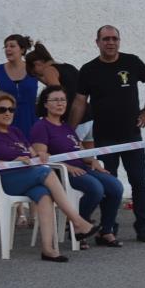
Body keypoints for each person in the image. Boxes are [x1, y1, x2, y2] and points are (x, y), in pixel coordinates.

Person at [0, 92, 99, 262]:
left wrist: (41, 154)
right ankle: (77, 221)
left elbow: (33, 154)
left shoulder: (16, 132)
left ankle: (48, 249)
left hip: (22, 179)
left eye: (11, 109)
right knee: (44, 172)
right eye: (2, 110)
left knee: (44, 194)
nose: (8, 113)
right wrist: (9, 162)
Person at [71, 25, 145, 243]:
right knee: (110, 185)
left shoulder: (132, 62)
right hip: (104, 137)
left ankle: (143, 228)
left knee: (138, 181)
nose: (110, 42)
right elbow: (80, 102)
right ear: (97, 42)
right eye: (106, 39)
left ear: (119, 41)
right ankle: (109, 228)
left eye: (114, 38)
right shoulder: (89, 69)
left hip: (131, 136)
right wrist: (70, 131)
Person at [30, 85, 123, 249]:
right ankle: (79, 228)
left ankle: (106, 231)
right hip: (60, 173)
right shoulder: (41, 126)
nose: (60, 103)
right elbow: (42, 157)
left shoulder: (66, 126)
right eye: (55, 100)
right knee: (95, 189)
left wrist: (92, 161)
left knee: (115, 187)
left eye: (63, 100)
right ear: (45, 104)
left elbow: (80, 150)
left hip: (81, 168)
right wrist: (67, 166)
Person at [0, 34, 39, 137]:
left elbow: (52, 85)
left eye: (12, 46)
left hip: (30, 118)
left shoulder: (32, 68)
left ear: (22, 50)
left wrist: (43, 102)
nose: (8, 49)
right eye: (6, 46)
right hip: (6, 118)